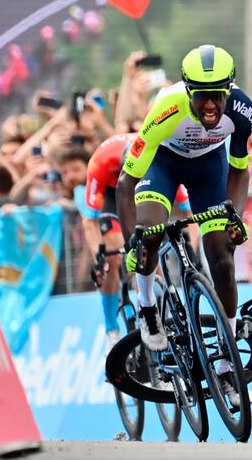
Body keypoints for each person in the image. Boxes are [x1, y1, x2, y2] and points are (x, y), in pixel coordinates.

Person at [117, 45, 252, 354]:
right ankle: (148, 306)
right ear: (188, 90)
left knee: (222, 257)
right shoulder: (167, 107)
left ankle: (227, 350)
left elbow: (240, 171)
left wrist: (236, 216)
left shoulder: (242, 110)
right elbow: (126, 183)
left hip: (208, 166)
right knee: (150, 233)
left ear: (229, 91)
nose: (209, 105)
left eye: (217, 95)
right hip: (163, 163)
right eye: (201, 95)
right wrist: (131, 243)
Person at [77, 133, 191, 352]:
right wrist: (99, 258)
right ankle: (111, 329)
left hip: (148, 186)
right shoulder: (100, 162)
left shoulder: (161, 159)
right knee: (111, 258)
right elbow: (89, 221)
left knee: (150, 248)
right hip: (112, 196)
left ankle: (154, 308)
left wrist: (195, 251)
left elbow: (188, 211)